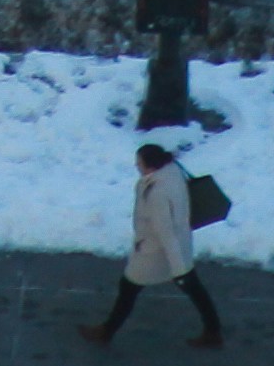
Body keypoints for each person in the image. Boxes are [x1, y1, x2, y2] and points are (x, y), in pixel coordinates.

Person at [83, 141, 223, 350]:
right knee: (193, 288)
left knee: (129, 287)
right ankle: (213, 330)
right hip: (177, 244)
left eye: (139, 163)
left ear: (150, 166)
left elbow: (165, 232)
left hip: (154, 251)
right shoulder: (172, 172)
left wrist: (179, 269)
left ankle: (107, 331)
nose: (136, 166)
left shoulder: (157, 192)